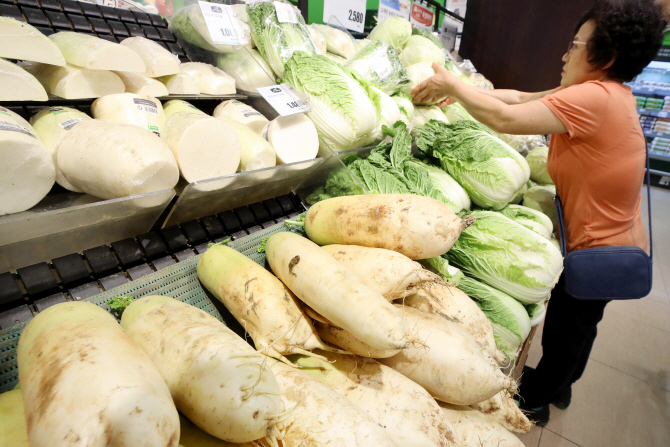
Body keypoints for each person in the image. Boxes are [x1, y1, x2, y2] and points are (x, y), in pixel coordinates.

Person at [411, 0, 664, 426]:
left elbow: (507, 118)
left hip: (596, 247)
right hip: (610, 236)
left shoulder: (596, 98)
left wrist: (453, 86)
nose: (566, 54)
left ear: (607, 56)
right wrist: (464, 91)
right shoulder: (606, 94)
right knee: (581, 327)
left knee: (570, 327)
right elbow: (519, 98)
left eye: (575, 44)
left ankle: (539, 399)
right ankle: (561, 385)